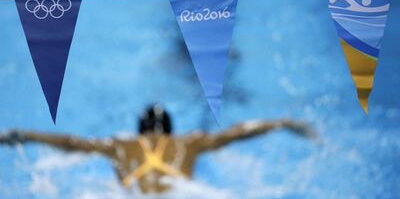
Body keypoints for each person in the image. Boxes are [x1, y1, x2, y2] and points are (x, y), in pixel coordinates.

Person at [0, 104, 317, 193]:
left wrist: (26, 134)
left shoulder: (119, 144)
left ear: (138, 131)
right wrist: (281, 122)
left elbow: (70, 144)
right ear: (171, 130)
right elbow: (236, 133)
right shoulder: (188, 141)